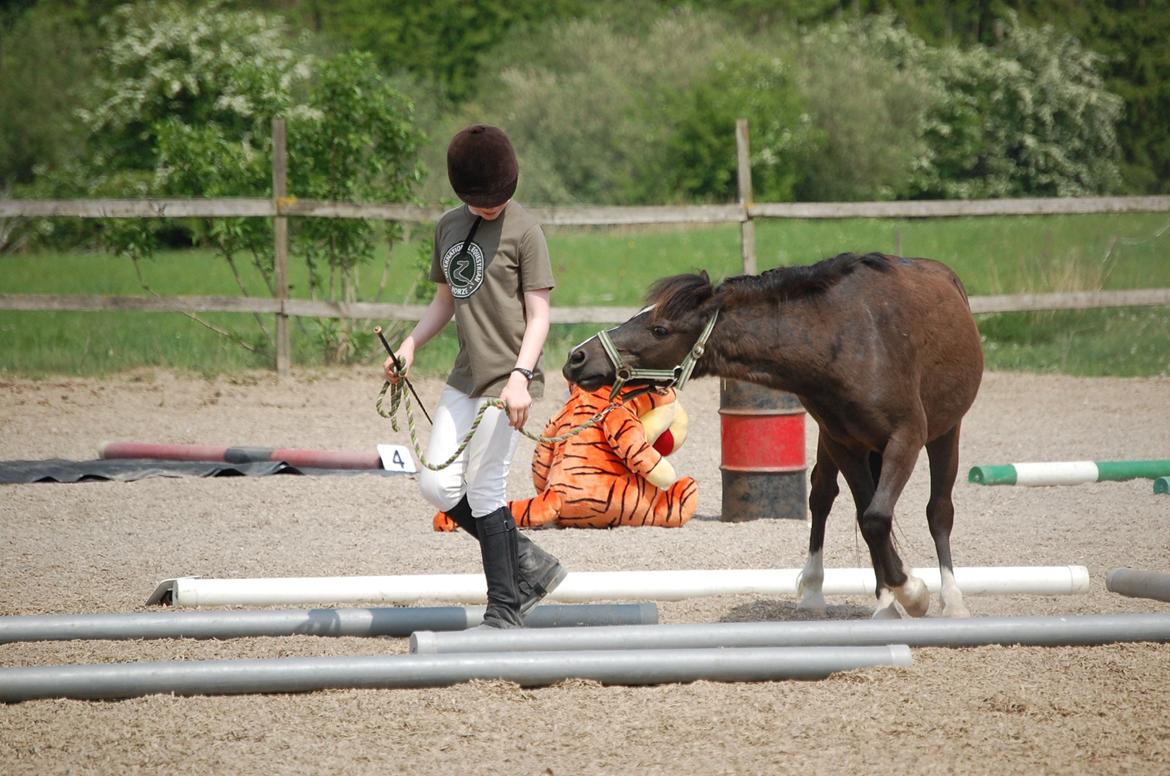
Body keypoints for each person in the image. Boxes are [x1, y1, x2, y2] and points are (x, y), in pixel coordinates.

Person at [384, 124, 566, 628]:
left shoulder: (526, 232)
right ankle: (528, 562)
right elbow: (445, 300)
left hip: (508, 379)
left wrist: (520, 378)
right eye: (481, 200)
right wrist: (410, 345)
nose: (491, 207)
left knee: (486, 488)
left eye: (498, 198)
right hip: (465, 374)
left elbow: (540, 315)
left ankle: (504, 609)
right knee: (436, 486)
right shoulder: (447, 227)